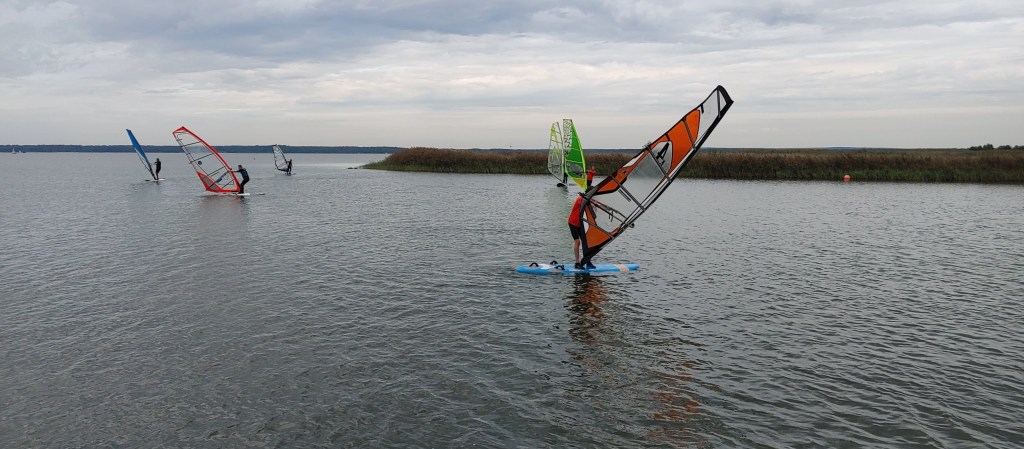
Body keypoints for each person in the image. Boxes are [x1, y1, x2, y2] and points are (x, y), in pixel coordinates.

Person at [568, 193, 597, 270]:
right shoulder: (580, 199)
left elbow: (592, 211)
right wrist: (592, 204)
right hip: (573, 222)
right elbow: (585, 204)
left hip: (580, 224)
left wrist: (595, 205)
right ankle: (577, 263)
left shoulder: (587, 200)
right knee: (577, 241)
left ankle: (588, 262)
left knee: (586, 242)